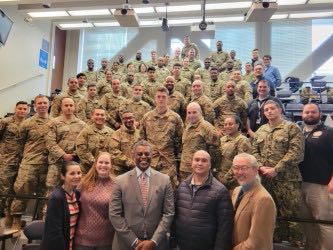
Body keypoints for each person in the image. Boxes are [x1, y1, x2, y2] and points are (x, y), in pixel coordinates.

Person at [252, 100, 304, 246]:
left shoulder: (292, 128)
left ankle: (297, 245)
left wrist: (276, 169)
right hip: (266, 179)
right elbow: (254, 150)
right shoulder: (261, 130)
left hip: (287, 180)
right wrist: (261, 167)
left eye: (272, 108)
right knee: (270, 215)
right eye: (266, 109)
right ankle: (275, 243)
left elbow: (296, 153)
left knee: (292, 217)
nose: (269, 111)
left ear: (280, 110)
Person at [109, 140, 174, 250]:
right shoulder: (120, 181)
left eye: (147, 154)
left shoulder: (165, 180)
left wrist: (154, 241)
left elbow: (169, 213)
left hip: (156, 245)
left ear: (151, 156)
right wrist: (135, 241)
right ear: (133, 155)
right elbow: (114, 215)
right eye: (139, 154)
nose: (143, 157)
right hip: (126, 244)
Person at [172, 150, 233, 250]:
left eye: (204, 161)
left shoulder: (220, 191)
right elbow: (175, 219)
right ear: (191, 163)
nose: (199, 163)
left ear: (210, 165)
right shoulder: (182, 186)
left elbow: (224, 228)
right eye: (197, 160)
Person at [10, 95, 51, 230]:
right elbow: (19, 144)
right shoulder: (27, 123)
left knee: (43, 195)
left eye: (45, 103)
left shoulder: (54, 122)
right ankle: (16, 221)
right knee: (22, 192)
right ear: (35, 106)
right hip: (29, 164)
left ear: (49, 104)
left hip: (47, 165)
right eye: (39, 103)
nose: (42, 105)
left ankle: (38, 222)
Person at [299, 103, 333, 250]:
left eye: (313, 112)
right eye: (307, 112)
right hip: (299, 184)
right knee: (306, 222)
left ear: (320, 114)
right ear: (302, 114)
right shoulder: (297, 131)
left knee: (324, 223)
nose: (310, 114)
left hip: (321, 185)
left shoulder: (329, 132)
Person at [140, 87, 183, 188]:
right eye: (158, 97)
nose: (161, 99)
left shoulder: (175, 118)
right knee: (149, 191)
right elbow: (142, 139)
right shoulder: (147, 117)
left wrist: (176, 153)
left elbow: (181, 139)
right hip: (150, 160)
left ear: (168, 99)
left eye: (163, 97)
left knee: (170, 191)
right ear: (155, 98)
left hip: (168, 161)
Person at [231, 153, 276, 250]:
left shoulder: (263, 199)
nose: (239, 172)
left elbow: (257, 242)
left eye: (244, 168)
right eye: (236, 168)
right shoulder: (237, 191)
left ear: (255, 170)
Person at [45, 97, 86, 196]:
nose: (69, 108)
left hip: (74, 162)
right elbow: (50, 142)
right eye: (66, 105)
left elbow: (84, 143)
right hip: (56, 161)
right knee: (51, 189)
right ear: (61, 107)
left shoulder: (82, 124)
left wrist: (75, 154)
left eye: (71, 105)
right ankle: (50, 211)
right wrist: (63, 155)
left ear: (74, 107)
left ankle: (70, 210)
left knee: (74, 189)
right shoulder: (53, 123)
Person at [75, 152, 115, 250]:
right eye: (100, 162)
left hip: (106, 241)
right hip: (82, 240)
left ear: (111, 165)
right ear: (95, 164)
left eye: (107, 163)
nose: (103, 165)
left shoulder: (117, 185)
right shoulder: (83, 183)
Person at [40, 161, 82, 250]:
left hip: (70, 244)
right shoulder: (56, 197)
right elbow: (55, 231)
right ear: (63, 176)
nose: (77, 176)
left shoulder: (77, 194)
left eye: (79, 173)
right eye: (72, 173)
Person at [0, 101, 29, 227]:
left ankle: (13, 217)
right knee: (5, 189)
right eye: (20, 108)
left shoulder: (28, 124)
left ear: (28, 111)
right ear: (15, 109)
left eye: (24, 109)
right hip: (6, 160)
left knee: (18, 189)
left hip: (22, 161)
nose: (22, 111)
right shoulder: (5, 122)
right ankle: (5, 216)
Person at [180, 102, 220, 181]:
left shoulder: (207, 128)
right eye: (189, 113)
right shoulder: (188, 126)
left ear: (200, 113)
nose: (191, 115)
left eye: (194, 112)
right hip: (185, 170)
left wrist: (211, 169)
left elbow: (216, 151)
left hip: (200, 171)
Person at [76, 108, 114, 173]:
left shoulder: (112, 132)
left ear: (106, 117)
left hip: (106, 169)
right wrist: (95, 163)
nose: (100, 117)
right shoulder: (85, 131)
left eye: (102, 115)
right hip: (88, 169)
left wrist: (106, 163)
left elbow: (114, 150)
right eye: (97, 114)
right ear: (92, 117)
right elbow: (81, 149)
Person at [218, 116, 251, 187]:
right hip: (219, 178)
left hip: (234, 181)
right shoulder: (222, 139)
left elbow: (240, 163)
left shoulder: (242, 140)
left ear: (238, 125)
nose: (227, 126)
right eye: (225, 124)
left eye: (230, 124)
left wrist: (226, 178)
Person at [110, 111, 140, 176]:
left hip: (138, 169)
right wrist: (130, 163)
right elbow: (114, 152)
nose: (128, 120)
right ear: (122, 120)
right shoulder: (116, 134)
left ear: (134, 119)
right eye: (125, 118)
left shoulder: (139, 133)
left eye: (130, 118)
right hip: (121, 171)